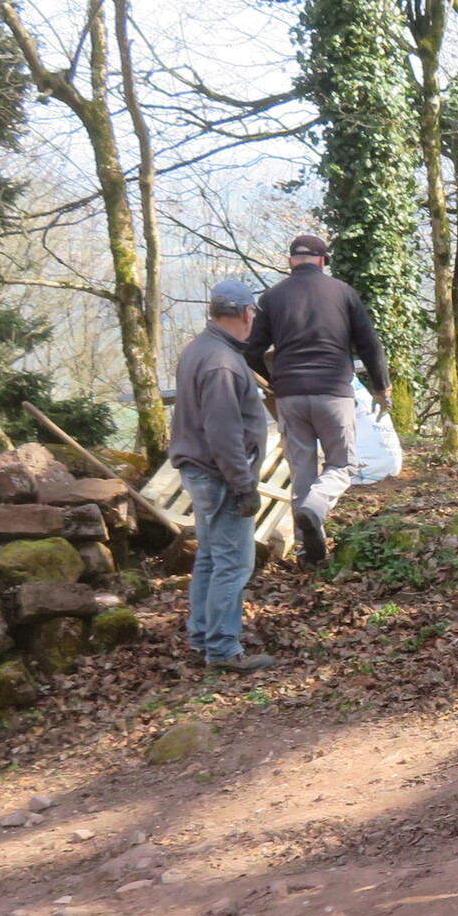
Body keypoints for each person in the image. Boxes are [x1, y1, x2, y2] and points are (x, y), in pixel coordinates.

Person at [247, 232, 394, 564]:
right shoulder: (343, 292)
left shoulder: (272, 297)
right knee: (343, 464)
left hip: (290, 397)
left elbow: (252, 351)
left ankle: (307, 553)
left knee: (302, 472)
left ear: (290, 262)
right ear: (323, 261)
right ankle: (315, 508)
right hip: (333, 392)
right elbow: (370, 344)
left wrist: (274, 382)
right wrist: (381, 388)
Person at [168, 286, 275, 674]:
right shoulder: (222, 362)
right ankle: (223, 649)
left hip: (202, 471)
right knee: (233, 563)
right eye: (253, 314)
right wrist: (243, 486)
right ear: (246, 314)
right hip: (220, 476)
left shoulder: (200, 349)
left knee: (212, 557)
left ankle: (202, 638)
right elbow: (224, 432)